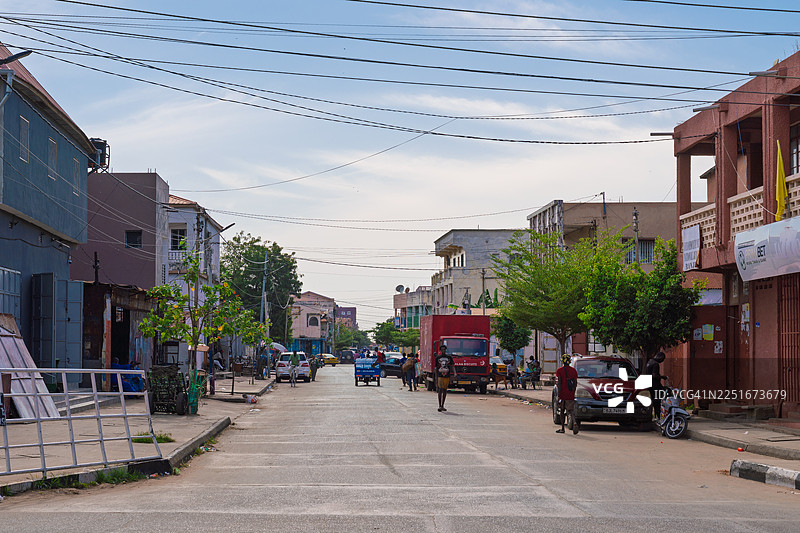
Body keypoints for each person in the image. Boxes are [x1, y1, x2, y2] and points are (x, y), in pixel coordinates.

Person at [555, 353, 580, 435]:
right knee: (571, 410)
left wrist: (559, 395)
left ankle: (562, 428)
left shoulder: (559, 370)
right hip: (570, 394)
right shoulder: (573, 371)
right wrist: (573, 391)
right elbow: (575, 383)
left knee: (562, 411)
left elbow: (559, 383)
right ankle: (575, 422)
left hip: (562, 394)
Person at [646, 352, 668, 419]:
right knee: (657, 401)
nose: (662, 361)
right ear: (660, 357)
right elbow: (654, 375)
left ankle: (654, 416)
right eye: (663, 359)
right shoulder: (655, 364)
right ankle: (658, 416)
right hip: (655, 385)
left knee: (653, 401)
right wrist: (662, 377)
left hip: (649, 385)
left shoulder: (650, 362)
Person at [435, 344, 456, 412]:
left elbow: (452, 365)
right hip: (440, 376)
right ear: (440, 350)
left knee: (444, 390)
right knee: (440, 390)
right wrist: (436, 377)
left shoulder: (449, 357)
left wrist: (454, 373)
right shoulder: (438, 358)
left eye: (444, 349)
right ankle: (439, 405)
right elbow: (436, 368)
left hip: (447, 376)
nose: (443, 351)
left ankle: (443, 405)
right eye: (442, 350)